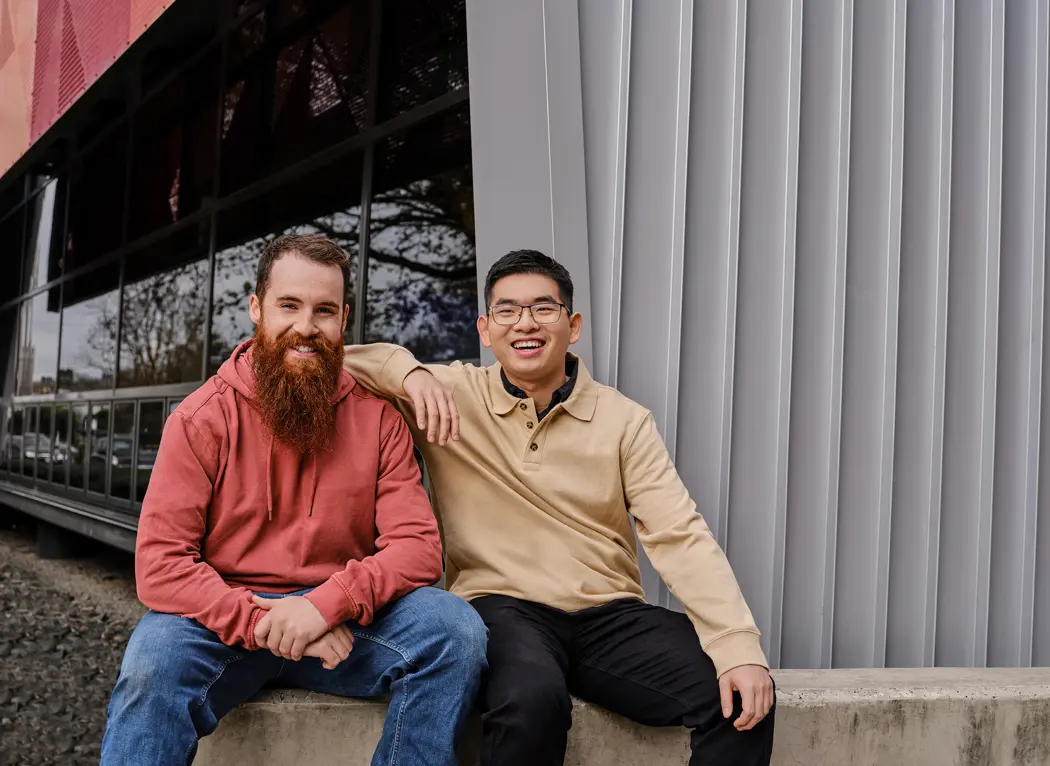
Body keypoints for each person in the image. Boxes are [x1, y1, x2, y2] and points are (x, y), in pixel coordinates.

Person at [343, 249, 775, 765]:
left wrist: (737, 646)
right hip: (501, 607)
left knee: (742, 699)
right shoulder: (452, 393)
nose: (525, 323)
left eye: (543, 308)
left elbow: (679, 533)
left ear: (573, 326)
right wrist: (410, 373)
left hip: (608, 614)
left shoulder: (624, 420)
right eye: (507, 310)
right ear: (485, 329)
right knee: (531, 702)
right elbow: (336, 361)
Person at [101, 234, 487, 766]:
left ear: (343, 319)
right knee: (152, 663)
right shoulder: (200, 419)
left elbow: (418, 550)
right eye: (289, 305)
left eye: (324, 310)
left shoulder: (379, 421)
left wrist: (323, 607)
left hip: (345, 622)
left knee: (455, 632)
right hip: (225, 621)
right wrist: (272, 624)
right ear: (256, 308)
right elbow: (161, 565)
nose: (306, 326)